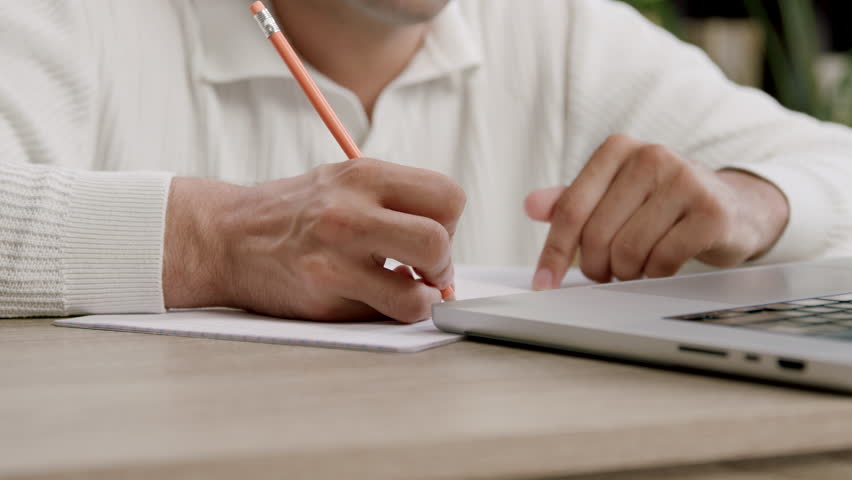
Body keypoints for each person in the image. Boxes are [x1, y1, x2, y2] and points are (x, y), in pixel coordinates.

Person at [2, 0, 851, 323]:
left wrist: (755, 200)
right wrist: (214, 242)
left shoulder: (564, 32)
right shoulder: (72, 20)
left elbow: (830, 163)